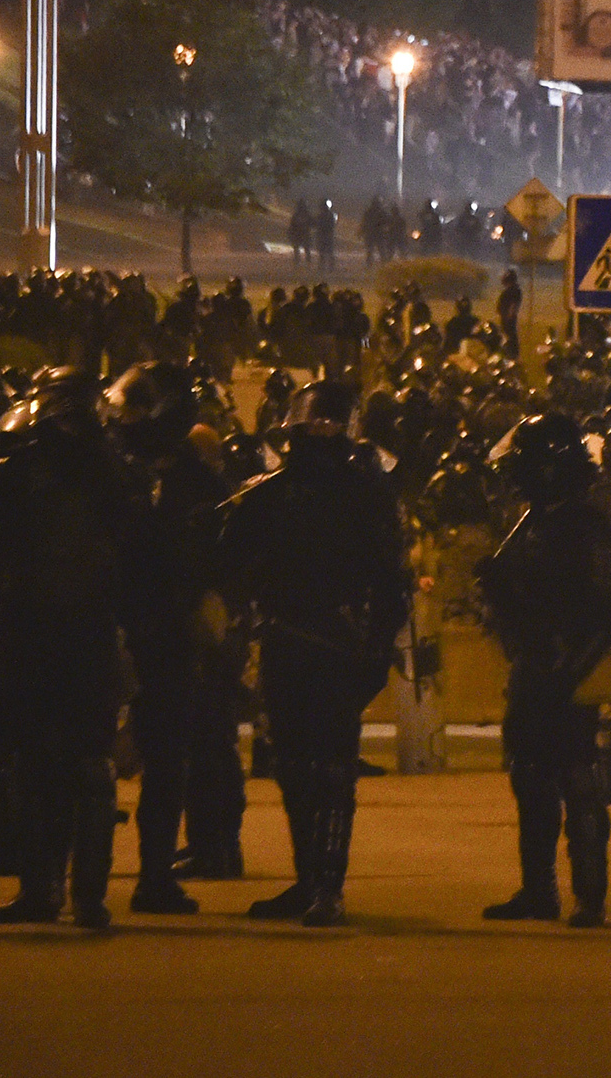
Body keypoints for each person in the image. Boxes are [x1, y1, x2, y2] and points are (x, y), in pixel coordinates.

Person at [221, 380, 409, 927]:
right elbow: (232, 561)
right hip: (283, 638)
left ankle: (329, 886)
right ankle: (307, 880)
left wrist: (375, 649)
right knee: (293, 767)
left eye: (328, 425)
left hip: (336, 643)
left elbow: (389, 581)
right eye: (311, 426)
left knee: (331, 770)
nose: (319, 434)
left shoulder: (366, 494)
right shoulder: (270, 492)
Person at [0, 368, 135, 928]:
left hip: (48, 633)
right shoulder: (113, 477)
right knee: (75, 765)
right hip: (66, 632)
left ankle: (57, 890)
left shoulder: (17, 477)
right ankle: (76, 893)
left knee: (53, 765)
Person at [478, 411, 611, 926]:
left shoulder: (588, 525)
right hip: (533, 663)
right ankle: (538, 889)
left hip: (568, 668)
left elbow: (608, 615)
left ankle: (590, 894)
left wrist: (568, 674)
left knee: (578, 778)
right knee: (530, 778)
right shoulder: (534, 520)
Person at [106, 363, 233, 915]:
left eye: (135, 411)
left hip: (167, 633)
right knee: (76, 758)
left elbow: (219, 556)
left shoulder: (195, 480)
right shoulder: (106, 469)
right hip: (106, 625)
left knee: (166, 762)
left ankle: (153, 875)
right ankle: (61, 879)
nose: (124, 421)